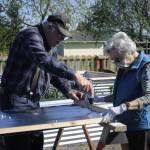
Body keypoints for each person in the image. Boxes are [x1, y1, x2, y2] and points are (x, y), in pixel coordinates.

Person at [0, 14, 92, 150]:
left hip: (34, 103)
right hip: (15, 100)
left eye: (64, 36)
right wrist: (74, 75)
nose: (61, 39)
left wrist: (69, 91)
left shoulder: (51, 47)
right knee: (19, 145)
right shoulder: (30, 36)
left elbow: (53, 74)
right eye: (60, 34)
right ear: (50, 27)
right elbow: (43, 61)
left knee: (37, 143)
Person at [98, 32, 150, 150]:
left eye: (117, 59)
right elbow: (122, 94)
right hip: (124, 124)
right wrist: (99, 99)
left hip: (141, 127)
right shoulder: (124, 67)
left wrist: (123, 107)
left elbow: (148, 96)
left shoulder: (146, 66)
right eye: (113, 60)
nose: (116, 64)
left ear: (129, 52)